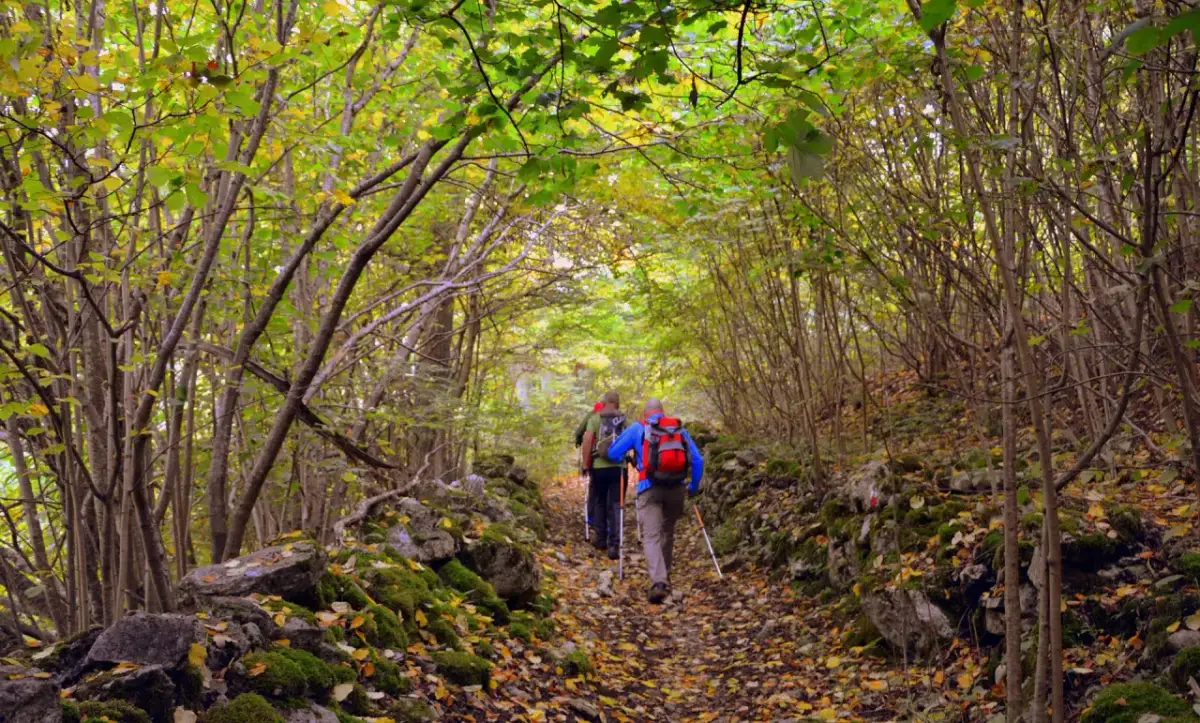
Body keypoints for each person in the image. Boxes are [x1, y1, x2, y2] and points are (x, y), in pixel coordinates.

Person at [606, 398, 704, 603]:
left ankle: (659, 582)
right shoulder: (677, 429)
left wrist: (630, 457)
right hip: (676, 488)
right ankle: (665, 576)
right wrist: (693, 487)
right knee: (667, 531)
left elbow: (614, 454)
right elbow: (698, 460)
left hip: (648, 488)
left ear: (645, 413)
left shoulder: (637, 428)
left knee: (651, 536)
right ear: (662, 412)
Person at [581, 391, 626, 559]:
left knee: (599, 501)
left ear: (604, 402)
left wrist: (586, 464)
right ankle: (614, 545)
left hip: (598, 466)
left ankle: (600, 539)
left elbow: (587, 440)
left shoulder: (595, 418)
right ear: (617, 403)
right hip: (618, 467)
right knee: (615, 505)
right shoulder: (623, 419)